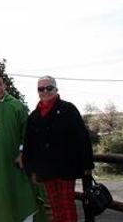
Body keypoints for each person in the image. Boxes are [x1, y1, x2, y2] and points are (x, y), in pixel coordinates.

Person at [23, 76, 94, 222]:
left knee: (67, 204)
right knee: (55, 207)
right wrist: (31, 170)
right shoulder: (34, 116)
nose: (45, 91)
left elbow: (82, 137)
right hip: (46, 170)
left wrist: (87, 164)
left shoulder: (68, 109)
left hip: (66, 168)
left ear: (56, 89)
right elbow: (29, 145)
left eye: (49, 88)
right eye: (41, 89)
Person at [0, 71, 42, 222]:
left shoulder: (16, 106)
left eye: (0, 84)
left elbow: (28, 134)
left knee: (19, 197)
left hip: (13, 163)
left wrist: (22, 153)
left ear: (5, 85)